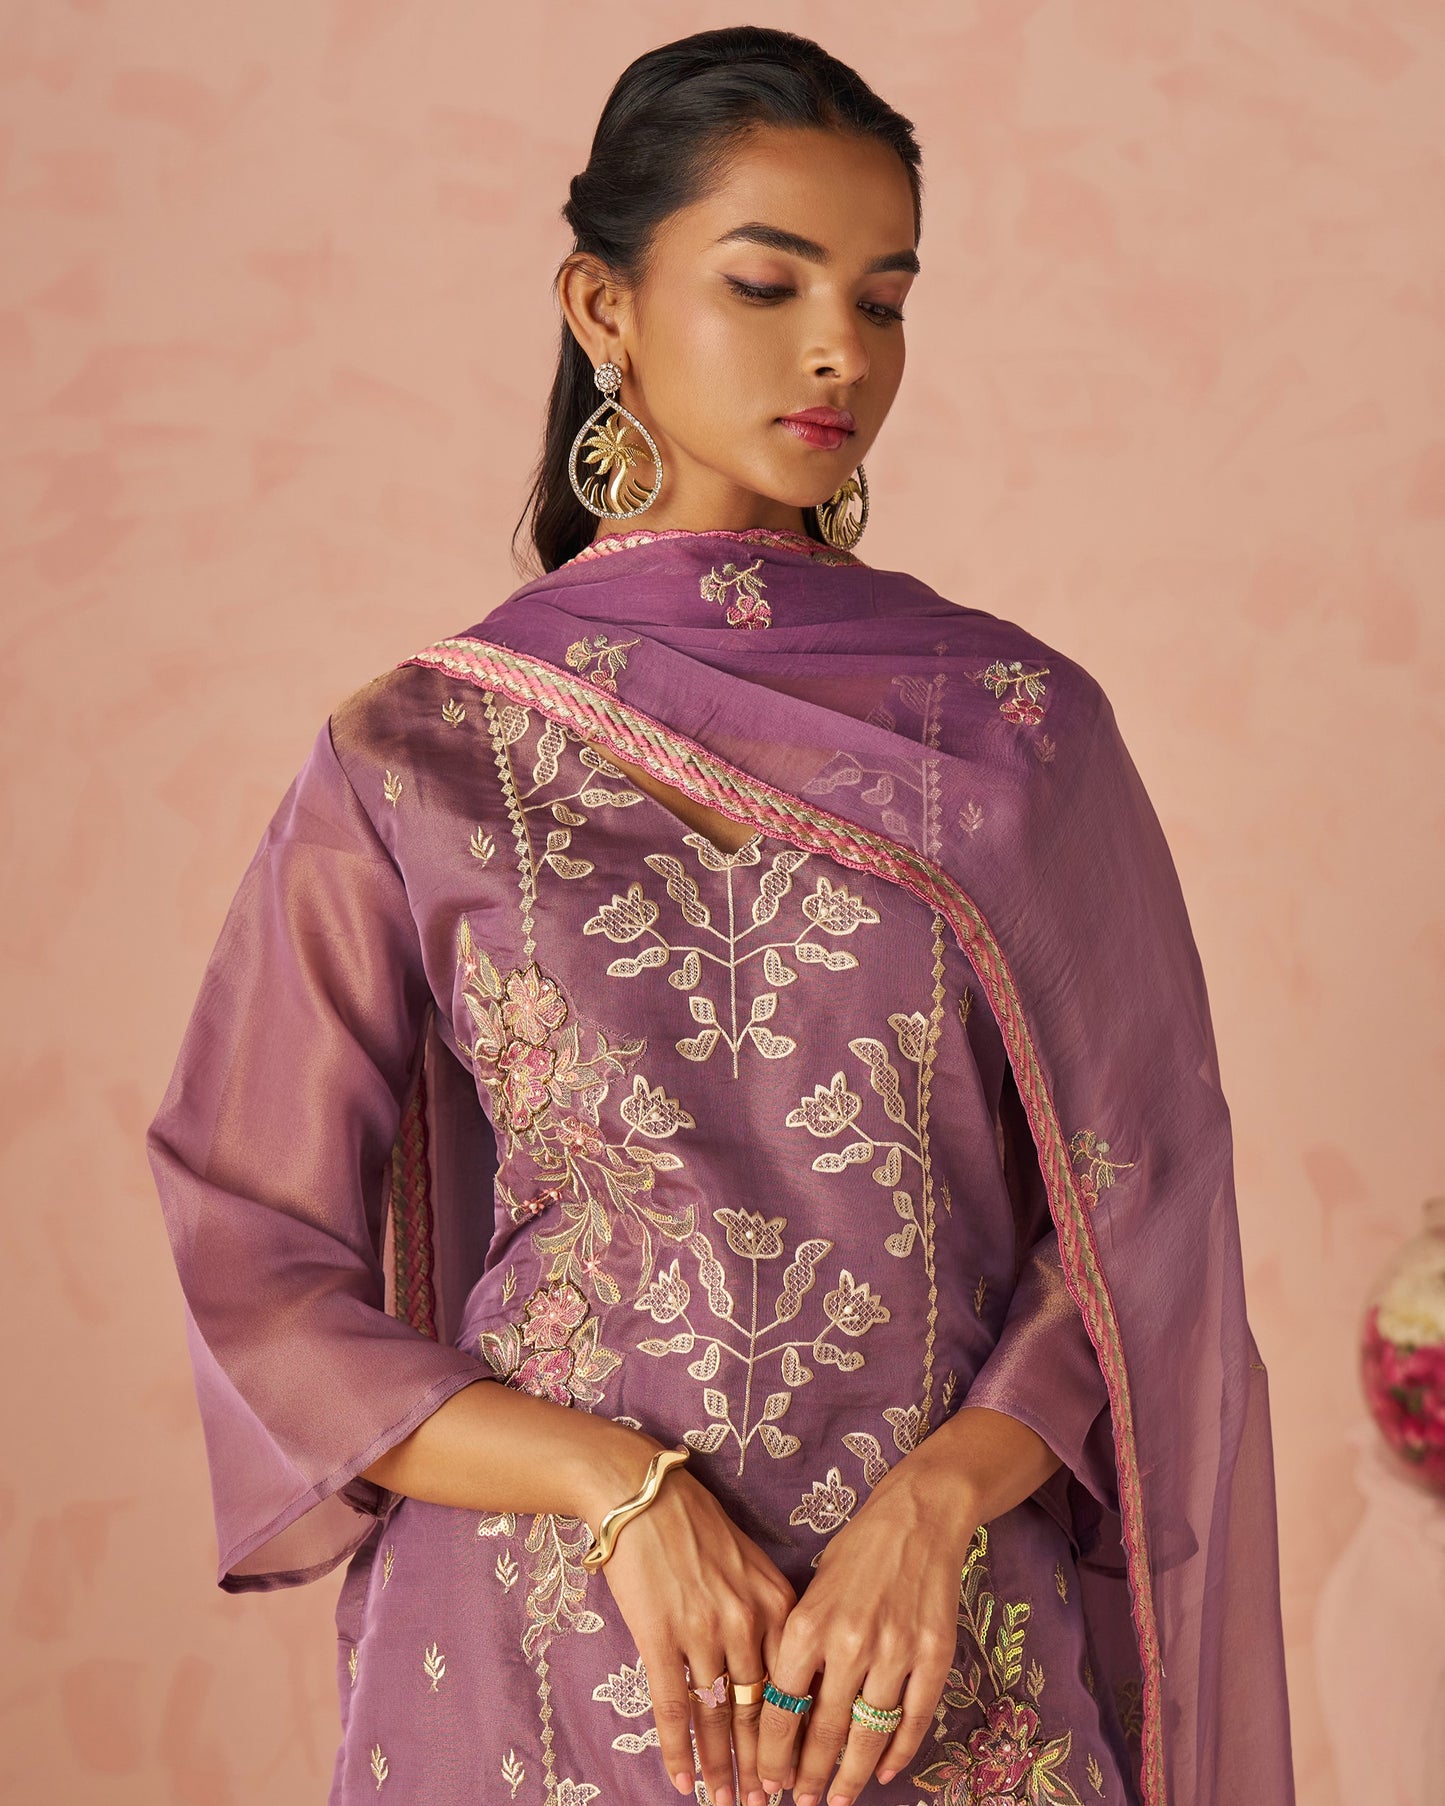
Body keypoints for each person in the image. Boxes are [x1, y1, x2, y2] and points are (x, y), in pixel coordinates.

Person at [146, 25, 1294, 1806]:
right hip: (538, 1654)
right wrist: (618, 1487)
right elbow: (254, 1260)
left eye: (883, 299)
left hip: (934, 1657)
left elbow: (1133, 1204)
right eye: (767, 285)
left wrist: (939, 1502)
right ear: (601, 306)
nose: (841, 349)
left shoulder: (1013, 734)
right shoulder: (422, 750)